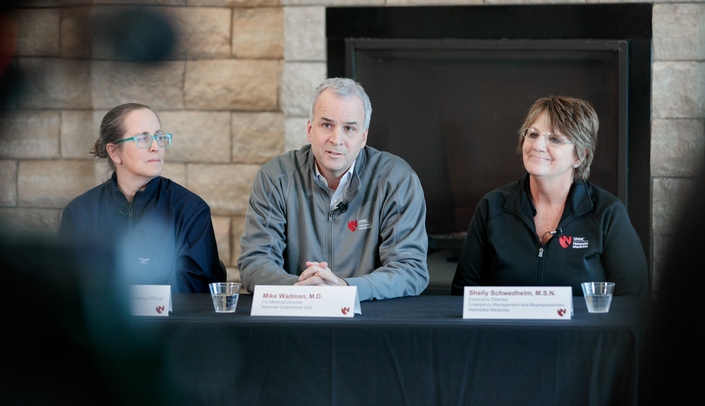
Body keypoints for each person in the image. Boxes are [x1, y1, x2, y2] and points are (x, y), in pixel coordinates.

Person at [237, 77, 429, 301]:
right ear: (310, 130)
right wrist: (303, 289)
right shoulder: (275, 178)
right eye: (327, 125)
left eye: (349, 128)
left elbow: (410, 269)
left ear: (363, 137)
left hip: (370, 318)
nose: (336, 139)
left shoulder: (396, 180)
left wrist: (345, 288)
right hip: (297, 314)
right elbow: (255, 262)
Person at [451, 95, 648, 297]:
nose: (537, 145)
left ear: (580, 156)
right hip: (505, 329)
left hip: (580, 330)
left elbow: (633, 297)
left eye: (554, 139)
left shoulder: (607, 212)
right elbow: (462, 292)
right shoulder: (492, 206)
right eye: (533, 134)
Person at [59, 102, 223, 293]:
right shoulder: (80, 212)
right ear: (114, 152)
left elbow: (196, 287)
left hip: (170, 322)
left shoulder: (190, 209)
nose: (156, 147)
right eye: (143, 139)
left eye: (159, 137)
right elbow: (68, 285)